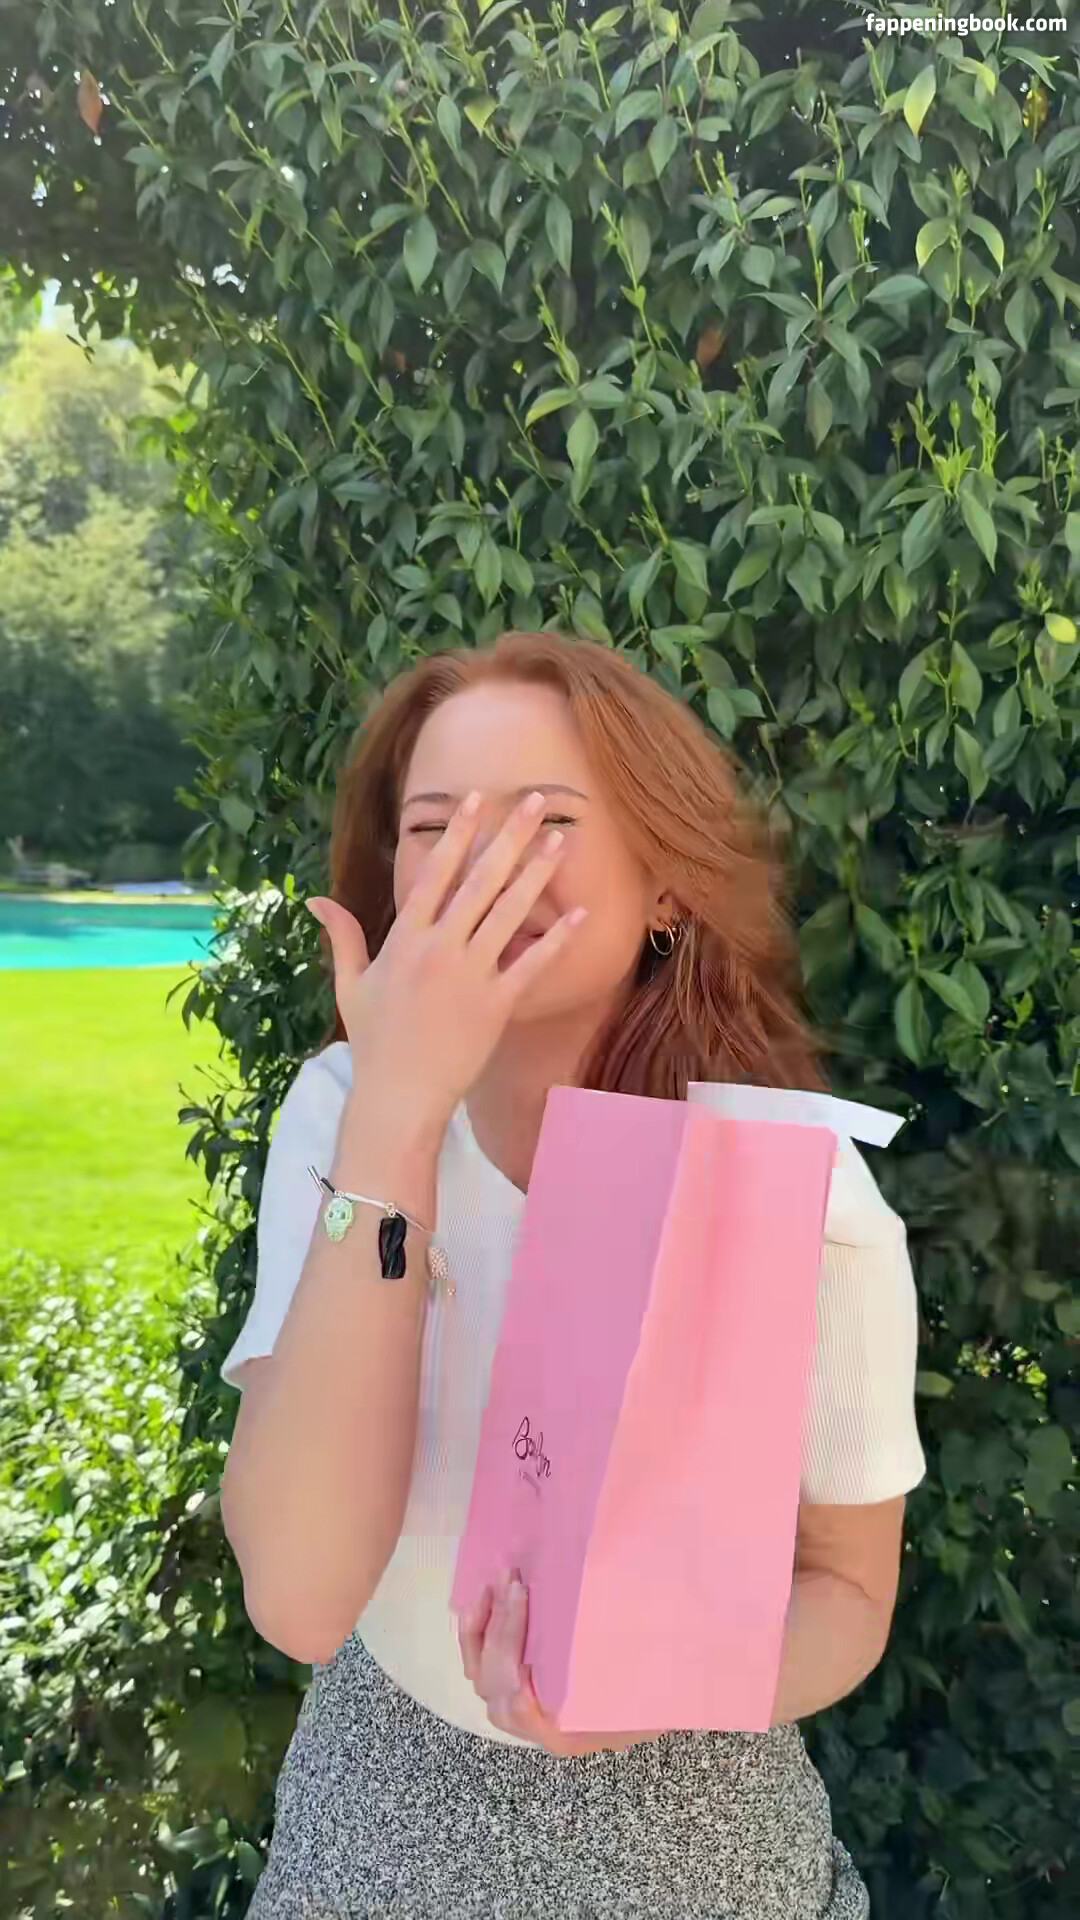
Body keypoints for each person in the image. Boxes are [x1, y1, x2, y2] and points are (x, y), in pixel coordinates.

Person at [221, 630, 925, 1918]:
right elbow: (303, 1594)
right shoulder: (339, 1114)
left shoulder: (797, 1194)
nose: (481, 865)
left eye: (546, 819)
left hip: (697, 1837)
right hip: (379, 1817)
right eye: (433, 827)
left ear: (666, 885)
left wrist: (675, 1678)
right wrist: (398, 1118)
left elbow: (848, 1588)